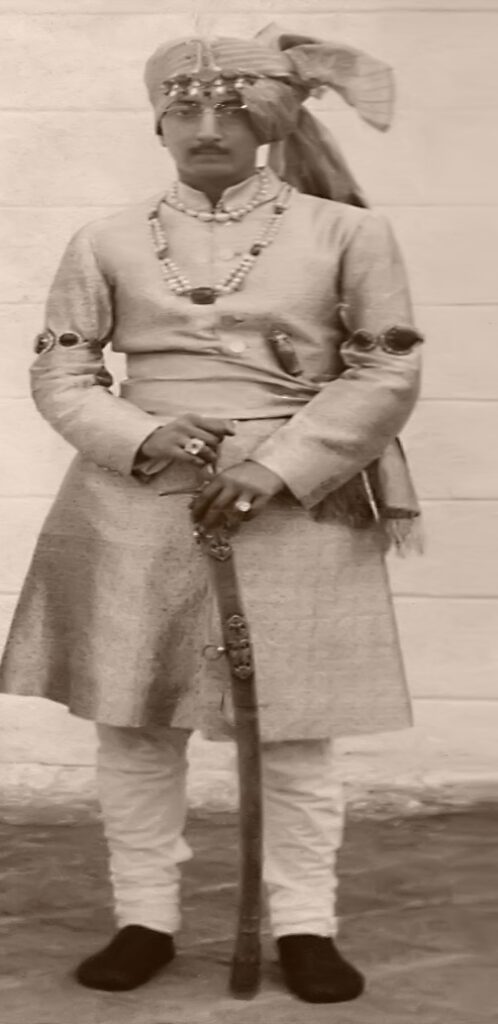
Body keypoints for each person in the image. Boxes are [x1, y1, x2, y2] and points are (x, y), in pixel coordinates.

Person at [0, 26, 424, 1004]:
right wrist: (141, 434)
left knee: (296, 731)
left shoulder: (347, 233)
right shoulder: (105, 238)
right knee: (136, 725)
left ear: (269, 121)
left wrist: (280, 467)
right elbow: (62, 371)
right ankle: (144, 917)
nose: (205, 128)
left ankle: (306, 925)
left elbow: (386, 368)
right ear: (157, 123)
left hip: (300, 501)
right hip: (133, 498)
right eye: (183, 109)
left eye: (230, 110)